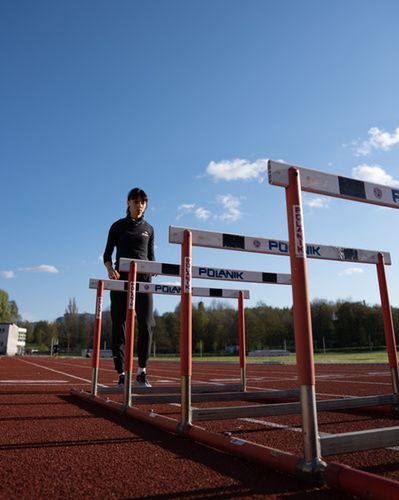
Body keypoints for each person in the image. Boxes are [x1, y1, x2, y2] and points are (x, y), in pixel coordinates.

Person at [103, 187, 155, 387]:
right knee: (119, 326)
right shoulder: (117, 226)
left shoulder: (149, 228)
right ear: (128, 203)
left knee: (147, 325)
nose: (140, 205)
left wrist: (153, 269)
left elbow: (151, 257)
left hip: (143, 281)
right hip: (121, 279)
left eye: (143, 202)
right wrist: (110, 269)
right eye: (136, 201)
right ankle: (122, 374)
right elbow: (107, 255)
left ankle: (142, 371)